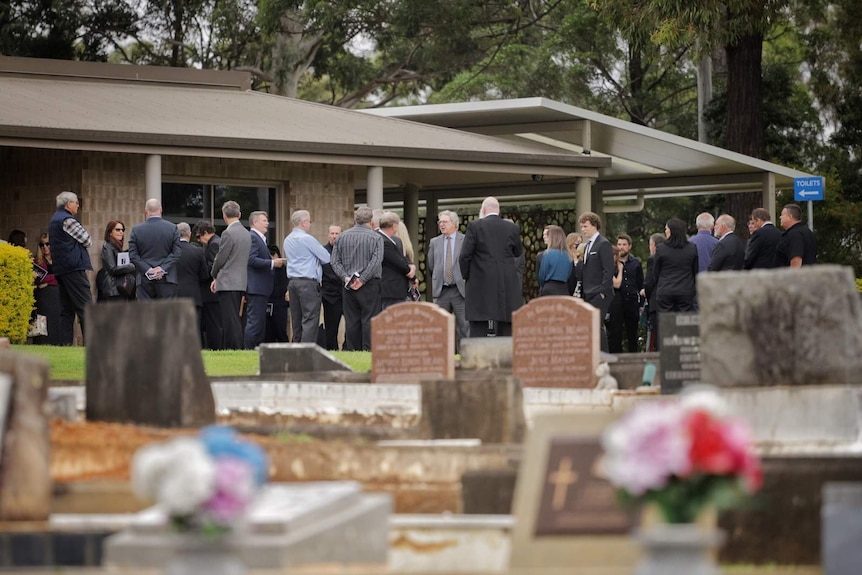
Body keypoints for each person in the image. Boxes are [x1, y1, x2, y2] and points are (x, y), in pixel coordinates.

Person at [459, 197, 523, 337]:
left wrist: (467, 276)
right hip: (505, 283)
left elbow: (464, 255)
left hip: (480, 282)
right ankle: (506, 358)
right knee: (506, 327)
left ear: (483, 210)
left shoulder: (475, 226)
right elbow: (517, 252)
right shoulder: (512, 228)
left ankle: (478, 358)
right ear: (498, 210)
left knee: (478, 327)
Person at [330, 206, 384, 351]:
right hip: (370, 284)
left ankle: (353, 349)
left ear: (355, 219)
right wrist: (363, 279)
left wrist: (345, 277)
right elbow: (376, 260)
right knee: (369, 319)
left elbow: (334, 261)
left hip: (348, 285)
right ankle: (368, 350)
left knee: (351, 320)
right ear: (371, 221)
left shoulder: (341, 237)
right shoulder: (376, 237)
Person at [48, 191, 93, 345]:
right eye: (76, 202)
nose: (78, 205)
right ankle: (92, 344)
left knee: (66, 310)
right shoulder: (68, 220)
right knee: (86, 307)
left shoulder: (54, 219)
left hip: (61, 269)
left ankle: (65, 344)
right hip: (74, 268)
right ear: (68, 204)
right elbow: (87, 240)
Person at [282, 209, 328, 344]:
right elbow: (326, 257)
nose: (310, 224)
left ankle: (296, 347)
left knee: (296, 318)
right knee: (310, 318)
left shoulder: (287, 239)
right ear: (303, 223)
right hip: (308, 283)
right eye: (309, 221)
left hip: (293, 282)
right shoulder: (307, 239)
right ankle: (306, 350)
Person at [210, 200, 251, 350]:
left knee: (229, 319)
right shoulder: (247, 234)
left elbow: (220, 257)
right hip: (241, 281)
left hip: (227, 281)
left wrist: (214, 274)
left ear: (224, 215)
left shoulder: (228, 233)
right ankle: (235, 347)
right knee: (236, 317)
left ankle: (233, 347)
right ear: (239, 214)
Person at [427, 210, 468, 353]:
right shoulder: (434, 242)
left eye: (445, 222)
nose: (441, 225)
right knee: (441, 326)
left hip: (460, 290)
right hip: (442, 290)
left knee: (464, 325)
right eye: (440, 222)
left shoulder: (465, 240)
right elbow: (431, 265)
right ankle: (443, 356)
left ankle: (464, 355)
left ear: (455, 224)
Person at [246, 210, 286, 349]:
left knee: (259, 324)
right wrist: (272, 263)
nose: (268, 223)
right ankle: (249, 351)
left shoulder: (260, 239)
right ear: (255, 222)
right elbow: (250, 260)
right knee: (254, 323)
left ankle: (255, 349)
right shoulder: (252, 237)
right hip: (257, 288)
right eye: (264, 221)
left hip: (262, 289)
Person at [129, 198, 182, 300]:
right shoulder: (172, 228)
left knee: (146, 313)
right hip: (167, 279)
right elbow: (176, 252)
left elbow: (133, 256)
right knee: (167, 314)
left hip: (144, 280)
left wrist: (149, 270)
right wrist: (162, 269)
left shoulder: (136, 230)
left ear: (145, 211)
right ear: (161, 210)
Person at [578, 211, 615, 352]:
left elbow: (608, 269)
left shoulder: (603, 244)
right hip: (589, 293)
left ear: (595, 225)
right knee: (592, 326)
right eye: (582, 226)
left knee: (596, 326)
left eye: (585, 226)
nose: (583, 229)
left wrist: (602, 291)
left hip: (598, 293)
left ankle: (603, 357)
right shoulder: (588, 245)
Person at [607, 233, 644, 353]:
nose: (621, 247)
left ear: (629, 246)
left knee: (632, 334)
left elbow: (640, 284)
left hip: (632, 301)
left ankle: (635, 360)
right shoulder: (611, 263)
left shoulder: (636, 263)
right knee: (615, 334)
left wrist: (641, 304)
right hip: (616, 301)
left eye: (624, 244)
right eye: (619, 244)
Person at [654, 218, 699, 312]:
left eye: (666, 229)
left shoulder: (661, 248)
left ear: (671, 231)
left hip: (666, 289)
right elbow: (695, 270)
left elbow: (656, 271)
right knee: (683, 322)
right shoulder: (692, 248)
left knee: (666, 322)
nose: (665, 231)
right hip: (686, 290)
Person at [175, 222, 208, 340]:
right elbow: (204, 275)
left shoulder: (169, 252)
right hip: (193, 295)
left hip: (174, 294)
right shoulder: (198, 251)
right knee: (194, 328)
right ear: (189, 234)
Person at [378, 212, 416, 310]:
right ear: (394, 226)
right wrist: (410, 273)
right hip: (390, 289)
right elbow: (397, 262)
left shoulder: (390, 239)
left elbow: (402, 258)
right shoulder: (384, 241)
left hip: (390, 289)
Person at [195, 220, 223, 350]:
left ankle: (215, 349)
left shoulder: (214, 245)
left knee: (214, 325)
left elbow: (212, 267)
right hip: (213, 293)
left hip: (211, 293)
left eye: (198, 236)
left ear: (205, 232)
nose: (199, 240)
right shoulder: (217, 242)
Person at [33, 232, 61, 345]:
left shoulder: (59, 259)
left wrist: (48, 281)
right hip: (44, 299)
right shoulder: (38, 261)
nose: (45, 247)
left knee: (56, 324)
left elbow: (63, 276)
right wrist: (54, 279)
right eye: (42, 245)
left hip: (57, 298)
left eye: (48, 244)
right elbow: (40, 279)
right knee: (43, 326)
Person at [97, 220, 136, 301]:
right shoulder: (107, 247)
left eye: (122, 230)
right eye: (117, 230)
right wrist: (131, 266)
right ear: (110, 232)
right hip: (113, 290)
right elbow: (112, 269)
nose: (121, 232)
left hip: (120, 288)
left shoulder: (116, 247)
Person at [320, 224, 343, 350]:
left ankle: (347, 348)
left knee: (352, 325)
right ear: (328, 235)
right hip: (330, 296)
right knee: (331, 328)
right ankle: (331, 351)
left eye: (337, 234)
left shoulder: (346, 250)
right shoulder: (323, 251)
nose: (334, 236)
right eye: (332, 233)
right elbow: (328, 273)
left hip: (346, 294)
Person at [642, 233, 666, 352]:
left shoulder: (653, 259)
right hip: (667, 301)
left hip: (655, 301)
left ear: (654, 246)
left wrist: (646, 292)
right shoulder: (669, 257)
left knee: (656, 336)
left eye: (650, 244)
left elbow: (649, 282)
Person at [537, 225, 571, 296]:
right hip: (563, 289)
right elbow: (570, 275)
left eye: (547, 235)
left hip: (548, 288)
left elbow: (541, 276)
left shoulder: (546, 254)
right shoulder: (568, 255)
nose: (544, 237)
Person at [265, 245, 289, 343]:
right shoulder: (265, 269)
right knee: (267, 332)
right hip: (267, 303)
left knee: (281, 331)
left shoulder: (283, 269)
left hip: (280, 304)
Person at [565, 232, 583, 297]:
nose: (578, 244)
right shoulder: (565, 256)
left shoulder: (581, 257)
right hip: (568, 287)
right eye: (576, 242)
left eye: (580, 242)